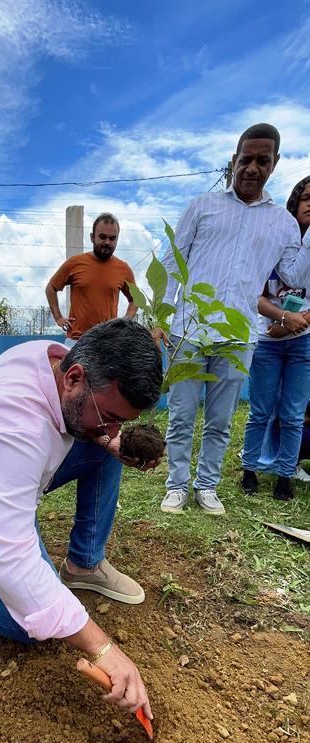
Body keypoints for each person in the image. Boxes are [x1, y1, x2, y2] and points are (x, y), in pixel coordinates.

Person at [0, 319, 163, 719]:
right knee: (26, 622)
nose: (113, 429)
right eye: (109, 416)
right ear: (74, 377)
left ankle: (84, 563)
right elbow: (12, 562)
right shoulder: (14, 426)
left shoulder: (55, 359)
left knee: (104, 449)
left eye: (121, 420)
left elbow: (87, 425)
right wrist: (104, 649)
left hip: (17, 472)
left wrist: (109, 439)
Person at [158, 123, 310, 516]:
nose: (252, 168)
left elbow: (293, 276)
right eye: (246, 159)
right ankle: (176, 485)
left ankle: (206, 486)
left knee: (220, 420)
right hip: (190, 329)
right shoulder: (202, 206)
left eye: (262, 160)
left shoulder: (283, 223)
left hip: (239, 335)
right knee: (181, 414)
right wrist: (164, 317)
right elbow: (173, 262)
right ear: (234, 160)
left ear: (274, 164)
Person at [240, 175, 310, 501]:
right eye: (307, 197)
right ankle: (250, 470)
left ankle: (284, 475)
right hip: (267, 341)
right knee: (260, 410)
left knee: (293, 413)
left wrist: (296, 322)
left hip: (302, 341)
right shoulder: (274, 243)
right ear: (294, 202)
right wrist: (282, 317)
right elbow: (255, 295)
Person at [45, 213, 138, 347]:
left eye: (112, 238)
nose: (107, 242)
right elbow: (51, 288)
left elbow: (135, 299)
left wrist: (126, 320)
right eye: (102, 237)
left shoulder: (124, 269)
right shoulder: (75, 263)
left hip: (107, 343)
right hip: (76, 342)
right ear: (92, 237)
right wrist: (58, 317)